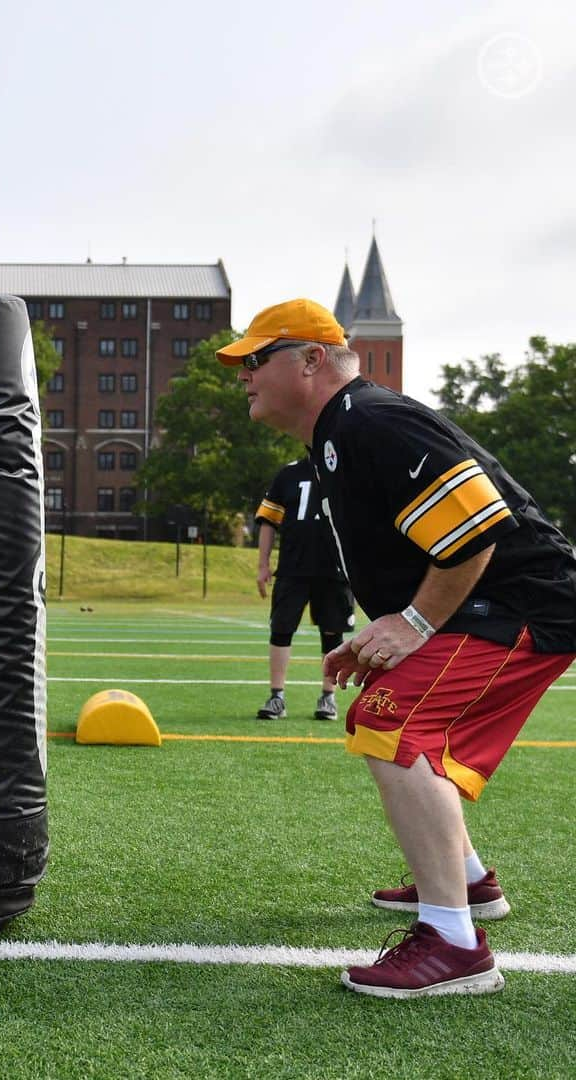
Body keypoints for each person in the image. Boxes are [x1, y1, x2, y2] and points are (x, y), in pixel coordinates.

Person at [217, 298, 576, 999]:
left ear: (311, 360)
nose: (244, 376)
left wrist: (412, 623)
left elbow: (476, 527)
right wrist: (390, 627)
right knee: (378, 714)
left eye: (256, 360)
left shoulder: (372, 418)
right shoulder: (337, 434)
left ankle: (454, 946)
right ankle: (468, 886)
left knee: (394, 720)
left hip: (520, 604)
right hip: (487, 606)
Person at [254, 456, 354, 721]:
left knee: (333, 633)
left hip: (334, 570)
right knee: (281, 629)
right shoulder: (288, 473)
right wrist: (263, 565)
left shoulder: (348, 469)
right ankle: (276, 697)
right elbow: (268, 521)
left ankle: (328, 697)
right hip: (292, 567)